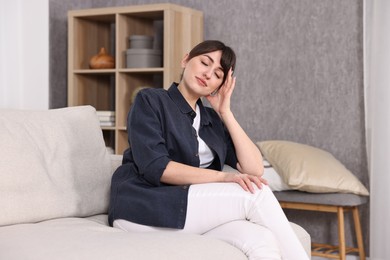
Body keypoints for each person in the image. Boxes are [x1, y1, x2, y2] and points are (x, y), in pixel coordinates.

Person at [108, 40, 308, 260]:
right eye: (204, 62)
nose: (208, 74)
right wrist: (222, 177)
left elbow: (254, 168)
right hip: (142, 206)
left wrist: (226, 113)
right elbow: (157, 168)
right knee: (256, 194)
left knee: (261, 240)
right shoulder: (151, 101)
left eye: (218, 74)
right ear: (186, 60)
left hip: (186, 210)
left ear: (221, 85)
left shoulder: (211, 120)